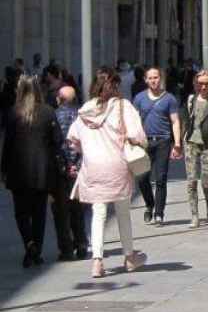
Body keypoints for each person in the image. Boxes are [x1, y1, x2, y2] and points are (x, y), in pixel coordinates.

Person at [66, 67, 148, 279]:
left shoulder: (85, 109)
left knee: (98, 212)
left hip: (92, 167)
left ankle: (97, 262)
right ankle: (129, 257)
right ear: (116, 85)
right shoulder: (122, 106)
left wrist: (88, 149)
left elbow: (73, 138)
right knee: (122, 211)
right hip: (117, 164)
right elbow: (137, 135)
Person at [2, 76, 64, 267]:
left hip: (18, 171)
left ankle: (29, 244)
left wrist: (3, 170)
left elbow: (7, 145)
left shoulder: (13, 113)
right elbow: (57, 141)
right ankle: (36, 249)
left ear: (19, 90)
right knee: (39, 213)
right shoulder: (48, 111)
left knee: (21, 213)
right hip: (42, 171)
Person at [133, 67, 182, 226]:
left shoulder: (169, 99)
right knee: (142, 178)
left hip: (163, 141)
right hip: (144, 142)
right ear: (145, 80)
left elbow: (175, 121)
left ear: (160, 79)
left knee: (161, 178)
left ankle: (159, 213)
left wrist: (177, 143)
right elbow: (134, 120)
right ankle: (150, 204)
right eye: (150, 78)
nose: (153, 80)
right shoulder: (139, 98)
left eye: (156, 77)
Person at [179, 70, 208, 228]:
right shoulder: (190, 100)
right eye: (200, 83)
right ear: (196, 84)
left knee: (206, 181)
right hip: (191, 143)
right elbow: (184, 119)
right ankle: (194, 215)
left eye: (207, 84)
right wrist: (179, 141)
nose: (203, 87)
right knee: (191, 182)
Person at [53, 85, 88, 260]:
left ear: (59, 99)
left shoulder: (54, 116)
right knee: (78, 209)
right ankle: (81, 244)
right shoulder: (82, 117)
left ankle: (66, 248)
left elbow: (55, 145)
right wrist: (78, 165)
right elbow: (86, 144)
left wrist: (66, 166)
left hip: (61, 170)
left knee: (60, 210)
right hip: (79, 169)